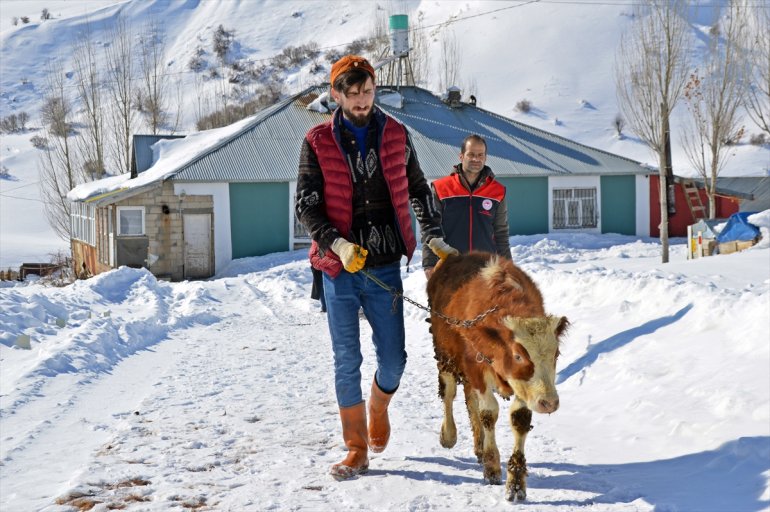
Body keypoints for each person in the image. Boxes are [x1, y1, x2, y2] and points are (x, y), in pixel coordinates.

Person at [294, 55, 457, 480]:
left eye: (367, 91)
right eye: (352, 94)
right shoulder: (316, 140)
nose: (362, 100)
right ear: (337, 95)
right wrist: (338, 244)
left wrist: (433, 233)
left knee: (394, 360)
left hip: (384, 266)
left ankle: (378, 407)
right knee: (346, 358)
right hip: (339, 267)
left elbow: (419, 189)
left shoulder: (397, 134)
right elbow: (306, 206)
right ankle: (355, 447)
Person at [423, 134, 512, 278]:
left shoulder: (498, 191)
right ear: (461, 156)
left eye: (480, 155)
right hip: (449, 268)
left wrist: (509, 268)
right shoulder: (441, 188)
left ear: (485, 157)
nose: (476, 159)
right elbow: (431, 230)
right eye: (471, 154)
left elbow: (501, 233)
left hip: (485, 271)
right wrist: (429, 265)